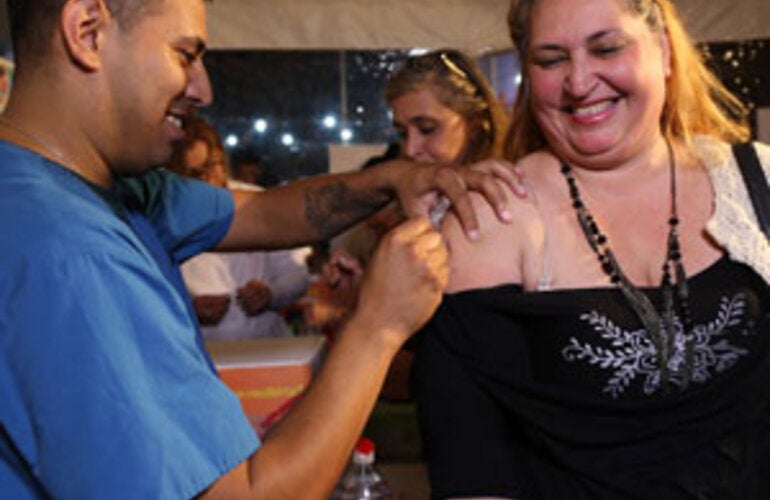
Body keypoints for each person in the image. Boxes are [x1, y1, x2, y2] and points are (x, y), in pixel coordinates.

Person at [0, 1, 523, 498]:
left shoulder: (88, 189)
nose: (203, 88)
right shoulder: (68, 253)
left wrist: (396, 178)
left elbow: (262, 212)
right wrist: (377, 325)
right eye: (185, 55)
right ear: (87, 30)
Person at [414, 0, 770, 498]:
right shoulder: (490, 220)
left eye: (606, 48)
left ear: (665, 51)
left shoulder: (757, 183)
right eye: (551, 59)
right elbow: (472, 471)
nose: (579, 83)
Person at [323, 49, 510, 398]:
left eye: (427, 129)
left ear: (476, 121)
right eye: (401, 132)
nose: (411, 149)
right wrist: (367, 290)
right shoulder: (424, 202)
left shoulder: (500, 205)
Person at [169, 115, 310, 339]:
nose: (210, 178)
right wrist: (188, 308)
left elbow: (297, 274)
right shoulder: (161, 215)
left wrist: (271, 293)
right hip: (201, 356)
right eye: (195, 174)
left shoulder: (257, 203)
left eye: (214, 165)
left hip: (267, 352)